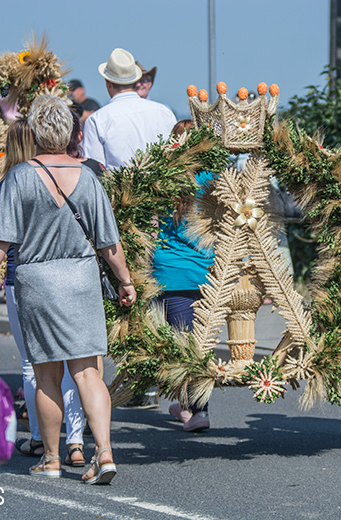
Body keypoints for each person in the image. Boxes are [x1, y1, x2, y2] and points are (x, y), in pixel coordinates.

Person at [0, 95, 136, 484]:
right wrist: (126, 282)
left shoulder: (20, 177)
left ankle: (50, 458)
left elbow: (0, 241)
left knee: (46, 374)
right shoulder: (89, 177)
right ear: (72, 133)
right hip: (81, 280)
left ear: (34, 132)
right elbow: (108, 244)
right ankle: (106, 452)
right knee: (88, 373)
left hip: (37, 281)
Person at [0, 119, 88, 467]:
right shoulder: (72, 174)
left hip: (23, 280)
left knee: (33, 364)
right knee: (74, 364)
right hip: (72, 277)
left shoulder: (5, 185)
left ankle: (40, 439)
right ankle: (78, 442)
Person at [155, 120, 215, 432]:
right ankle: (189, 405)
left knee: (181, 345)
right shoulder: (213, 180)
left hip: (171, 273)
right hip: (207, 273)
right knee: (199, 344)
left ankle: (198, 410)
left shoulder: (162, 180)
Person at [82, 48, 176, 170]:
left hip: (117, 188)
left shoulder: (97, 120)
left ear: (108, 83)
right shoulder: (164, 112)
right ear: (135, 80)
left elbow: (95, 170)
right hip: (165, 187)